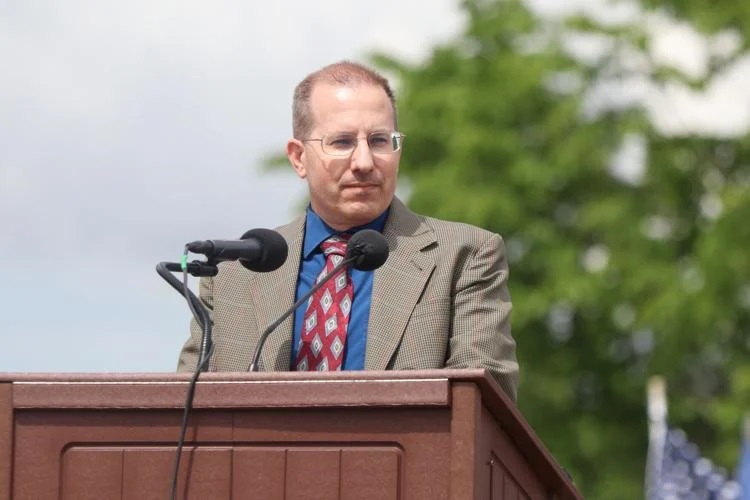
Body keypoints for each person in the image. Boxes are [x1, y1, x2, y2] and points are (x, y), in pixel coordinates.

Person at [177, 61, 518, 400]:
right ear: (298, 158)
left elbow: (482, 409)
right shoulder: (232, 276)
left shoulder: (463, 255)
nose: (365, 162)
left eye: (380, 140)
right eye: (342, 142)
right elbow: (182, 412)